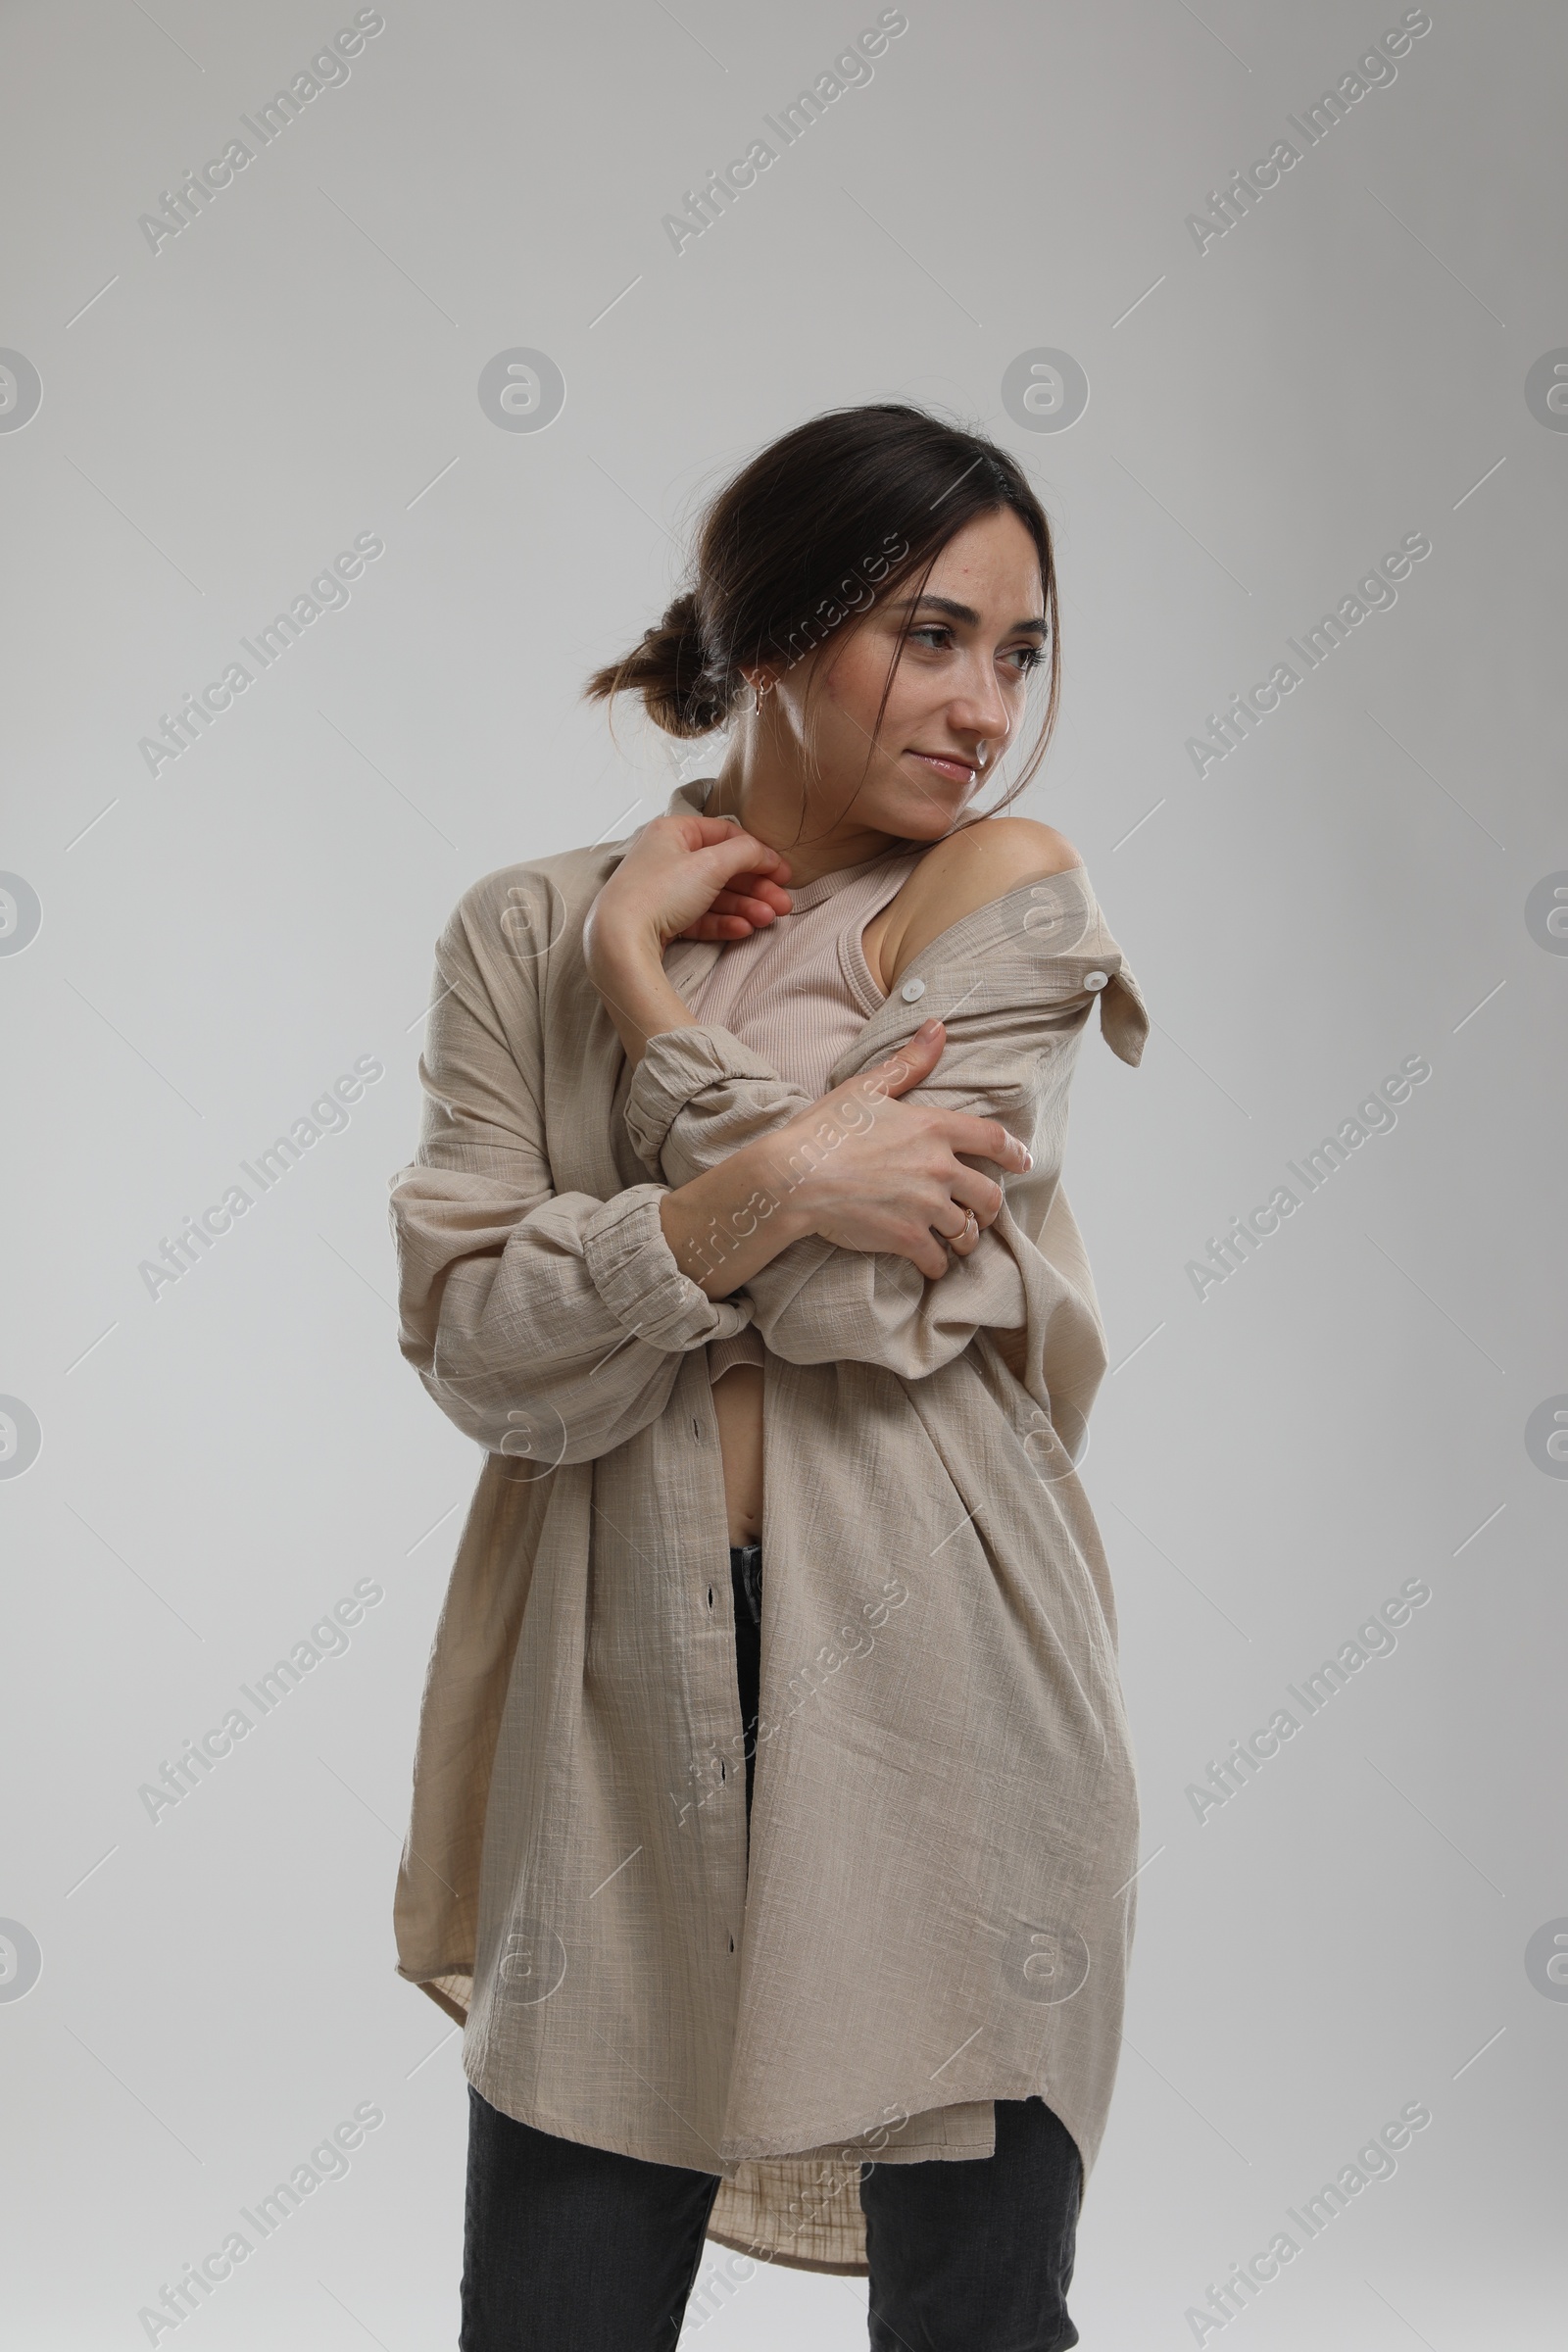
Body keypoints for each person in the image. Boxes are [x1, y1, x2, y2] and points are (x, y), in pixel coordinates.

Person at [389, 402, 1150, 2350]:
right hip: (607, 1687)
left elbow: (864, 1314)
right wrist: (798, 1168)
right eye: (928, 632)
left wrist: (655, 1015)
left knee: (972, 2323)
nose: (984, 703)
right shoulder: (521, 929)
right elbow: (480, 1341)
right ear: (776, 637)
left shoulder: (1006, 894)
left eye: (1019, 649)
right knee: (553, 2313)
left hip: (948, 1676)